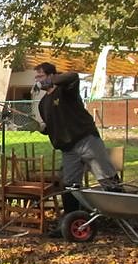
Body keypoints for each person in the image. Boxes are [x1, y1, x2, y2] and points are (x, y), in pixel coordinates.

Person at [33, 62, 122, 229]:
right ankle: (71, 223)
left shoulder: (66, 91)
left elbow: (73, 76)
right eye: (36, 77)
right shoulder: (42, 104)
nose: (37, 80)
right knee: (69, 186)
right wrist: (40, 128)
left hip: (86, 140)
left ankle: (123, 217)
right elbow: (51, 128)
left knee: (107, 178)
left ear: (52, 75)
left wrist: (54, 81)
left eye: (41, 76)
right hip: (68, 149)